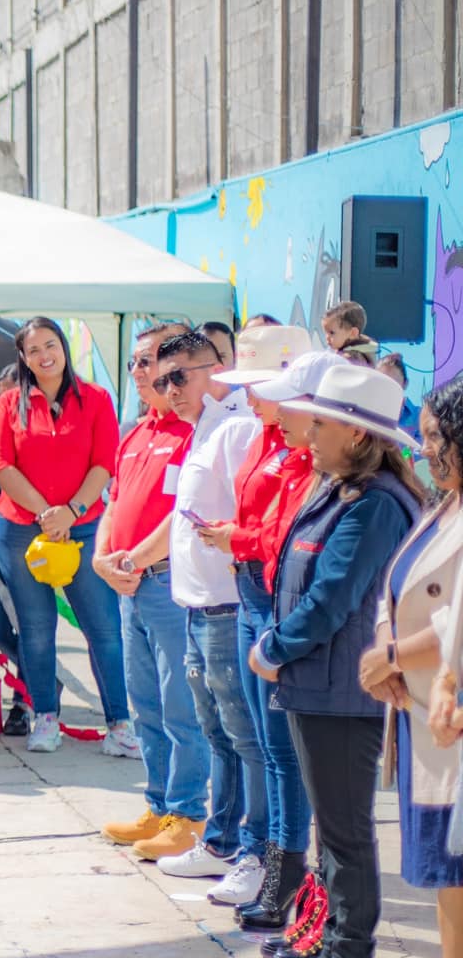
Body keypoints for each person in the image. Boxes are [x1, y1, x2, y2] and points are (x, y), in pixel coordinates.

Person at [252, 364, 421, 958]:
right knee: (336, 834)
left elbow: (331, 598)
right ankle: (333, 956)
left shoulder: (375, 502)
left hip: (340, 692)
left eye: (320, 422)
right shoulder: (344, 490)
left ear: (355, 432)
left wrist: (274, 647)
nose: (309, 432)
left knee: (347, 836)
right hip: (318, 688)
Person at [200, 344, 329, 933]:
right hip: (252, 589)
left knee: (280, 747)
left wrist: (240, 539)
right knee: (269, 743)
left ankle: (289, 873)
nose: (248, 397)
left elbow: (285, 532)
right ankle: (282, 869)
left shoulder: (306, 452)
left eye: (259, 387)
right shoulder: (262, 438)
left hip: (272, 591)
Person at [364, 376, 463, 958]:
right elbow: (398, 584)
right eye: (425, 436)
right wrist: (384, 644)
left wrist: (395, 653)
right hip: (422, 711)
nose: (427, 450)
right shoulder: (443, 504)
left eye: (438, 437)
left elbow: (454, 617)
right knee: (444, 876)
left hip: (448, 716)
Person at [153, 330, 267, 891]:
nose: (170, 389)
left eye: (180, 376)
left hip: (226, 606)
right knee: (216, 732)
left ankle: (258, 850)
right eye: (161, 380)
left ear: (216, 368)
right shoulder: (201, 430)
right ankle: (223, 841)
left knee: (244, 736)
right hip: (198, 607)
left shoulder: (237, 427)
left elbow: (253, 521)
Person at [0, 317, 132, 754]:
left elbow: (104, 463)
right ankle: (45, 716)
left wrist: (71, 512)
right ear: (23, 358)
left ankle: (120, 724)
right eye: (33, 350)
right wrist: (45, 514)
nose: (44, 355)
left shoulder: (96, 398)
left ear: (64, 348)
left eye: (51, 345)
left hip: (85, 528)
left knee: (103, 627)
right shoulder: (10, 403)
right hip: (20, 531)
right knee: (35, 629)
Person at [95, 325, 210, 860]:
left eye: (150, 364)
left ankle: (187, 814)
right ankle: (160, 803)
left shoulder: (195, 432)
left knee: (177, 703)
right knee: (144, 703)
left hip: (163, 581)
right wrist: (103, 557)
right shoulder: (135, 433)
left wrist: (132, 560)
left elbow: (183, 513)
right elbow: (113, 505)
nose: (141, 373)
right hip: (129, 583)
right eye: (137, 364)